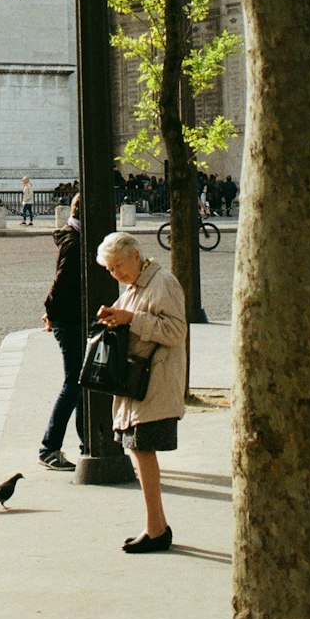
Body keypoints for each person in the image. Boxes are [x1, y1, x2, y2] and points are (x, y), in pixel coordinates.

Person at [95, 231, 187, 553]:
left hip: (154, 383)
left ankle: (156, 528)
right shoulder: (135, 287)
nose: (115, 274)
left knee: (143, 453)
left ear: (136, 256)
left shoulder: (162, 282)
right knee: (140, 453)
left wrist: (131, 319)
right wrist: (113, 318)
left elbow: (176, 332)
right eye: (110, 269)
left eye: (118, 265)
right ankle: (156, 526)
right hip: (140, 385)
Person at [39, 190, 83, 470]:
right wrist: (51, 313)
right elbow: (62, 280)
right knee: (75, 383)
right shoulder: (75, 242)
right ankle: (49, 448)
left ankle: (87, 441)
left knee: (82, 383)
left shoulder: (73, 237)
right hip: (70, 319)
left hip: (71, 318)